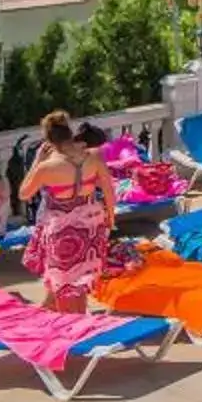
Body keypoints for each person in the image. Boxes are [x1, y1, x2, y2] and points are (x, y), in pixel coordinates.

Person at [18, 112, 117, 312]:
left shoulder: (47, 167)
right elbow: (108, 189)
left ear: (49, 140)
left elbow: (23, 194)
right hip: (92, 221)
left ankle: (73, 325)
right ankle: (58, 308)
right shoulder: (94, 155)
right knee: (82, 275)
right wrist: (110, 217)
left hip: (63, 227)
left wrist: (37, 161)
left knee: (64, 280)